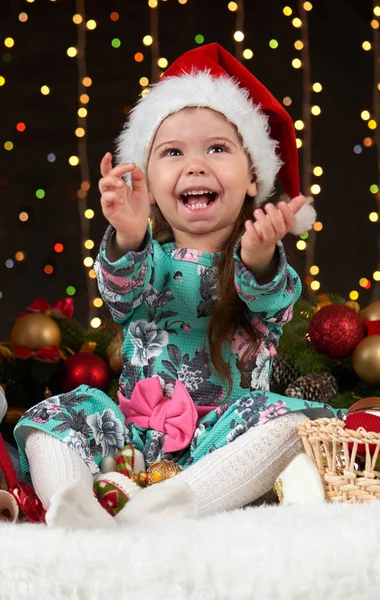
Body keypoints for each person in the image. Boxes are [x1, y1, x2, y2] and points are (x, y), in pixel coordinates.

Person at [14, 43, 334, 529]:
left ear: (253, 178)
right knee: (52, 419)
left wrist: (260, 257)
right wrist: (128, 233)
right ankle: (74, 506)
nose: (195, 164)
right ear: (149, 177)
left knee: (293, 424)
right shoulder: (148, 257)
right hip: (129, 438)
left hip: (222, 439)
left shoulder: (256, 260)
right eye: (172, 152)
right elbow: (120, 289)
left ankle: (172, 508)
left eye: (218, 148)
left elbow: (275, 302)